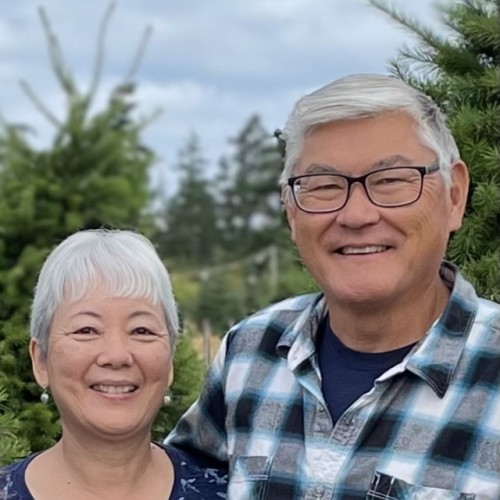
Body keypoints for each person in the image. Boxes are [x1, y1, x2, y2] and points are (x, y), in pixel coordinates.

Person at [166, 74, 500, 499]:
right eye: (324, 186)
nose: (356, 216)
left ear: (455, 196)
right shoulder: (250, 353)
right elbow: (172, 482)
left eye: (390, 180)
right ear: (290, 211)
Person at [0, 229, 227, 499]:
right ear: (40, 359)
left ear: (170, 360)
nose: (117, 355)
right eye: (86, 330)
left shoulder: (232, 492)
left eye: (141, 330)